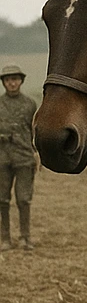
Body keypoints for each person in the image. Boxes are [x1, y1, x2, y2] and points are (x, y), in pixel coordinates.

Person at [0, 63, 37, 251]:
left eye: (15, 79)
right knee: (2, 200)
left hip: (24, 158)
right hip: (2, 159)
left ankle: (25, 238)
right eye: (8, 80)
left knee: (23, 199)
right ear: (4, 83)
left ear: (21, 81)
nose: (11, 83)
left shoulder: (30, 104)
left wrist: (36, 154)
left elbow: (33, 132)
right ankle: (5, 239)